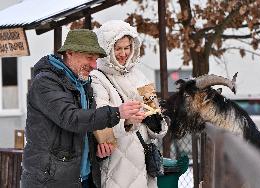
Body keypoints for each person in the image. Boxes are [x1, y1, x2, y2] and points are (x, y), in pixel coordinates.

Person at [21, 29, 145, 188]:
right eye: (89, 58)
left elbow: (84, 129)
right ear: (70, 53)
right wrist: (117, 112)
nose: (94, 65)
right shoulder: (45, 82)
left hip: (82, 178)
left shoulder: (82, 84)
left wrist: (98, 151)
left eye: (96, 59)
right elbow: (71, 118)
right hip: (49, 181)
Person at [90, 20, 168, 188]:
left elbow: (156, 123)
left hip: (144, 160)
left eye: (127, 48)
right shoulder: (98, 78)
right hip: (118, 163)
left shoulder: (139, 75)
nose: (123, 54)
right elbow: (100, 121)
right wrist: (127, 122)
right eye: (118, 48)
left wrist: (155, 121)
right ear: (106, 49)